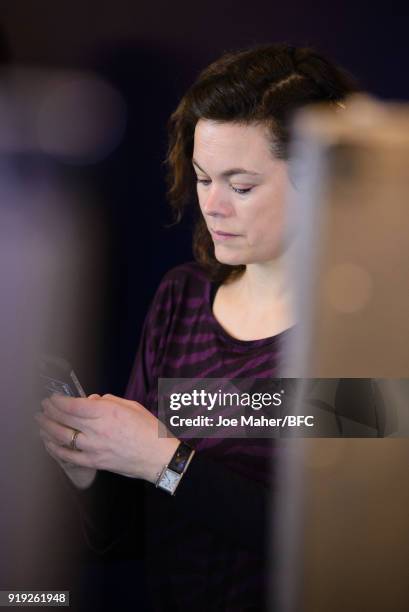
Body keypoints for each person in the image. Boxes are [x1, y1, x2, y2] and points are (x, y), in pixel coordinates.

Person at [35, 43, 359, 610]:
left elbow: (339, 544)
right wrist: (89, 466)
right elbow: (133, 535)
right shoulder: (182, 299)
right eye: (204, 179)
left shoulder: (356, 328)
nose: (213, 207)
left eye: (241, 186)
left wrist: (167, 459)